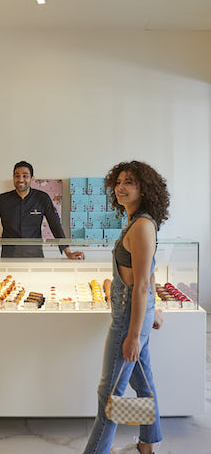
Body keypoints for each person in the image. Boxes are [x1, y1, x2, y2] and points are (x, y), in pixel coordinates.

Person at [83, 161, 169, 454]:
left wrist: (133, 334)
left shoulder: (143, 225)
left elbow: (143, 283)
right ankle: (147, 443)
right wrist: (151, 312)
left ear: (144, 188)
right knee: (143, 385)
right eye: (119, 181)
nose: (121, 187)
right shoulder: (136, 221)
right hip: (134, 317)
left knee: (110, 397)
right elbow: (148, 273)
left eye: (129, 182)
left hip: (126, 322)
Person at [0, 161, 85, 260]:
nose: (20, 179)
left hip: (35, 255)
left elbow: (55, 226)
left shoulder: (42, 198)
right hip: (9, 255)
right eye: (17, 176)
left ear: (32, 178)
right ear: (13, 178)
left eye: (25, 176)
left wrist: (68, 253)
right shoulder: (1, 200)